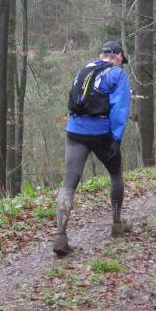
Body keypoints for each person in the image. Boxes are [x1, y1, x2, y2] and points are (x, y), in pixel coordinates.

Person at [53, 41, 132, 257]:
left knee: (69, 183)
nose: (120, 64)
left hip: (75, 131)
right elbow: (119, 108)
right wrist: (116, 138)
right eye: (121, 60)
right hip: (102, 133)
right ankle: (117, 224)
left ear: (101, 56)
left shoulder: (84, 70)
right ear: (117, 57)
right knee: (115, 173)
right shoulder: (116, 74)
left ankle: (60, 236)